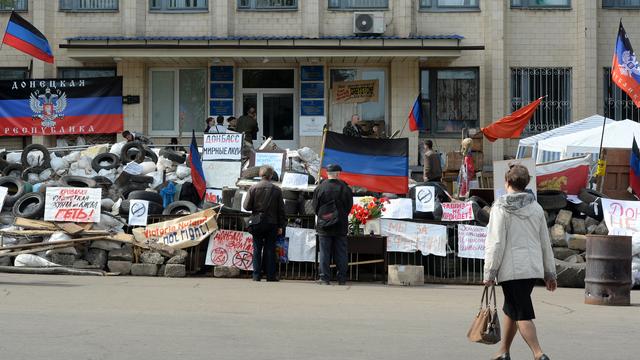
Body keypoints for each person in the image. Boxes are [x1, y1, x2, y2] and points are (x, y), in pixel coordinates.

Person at [483, 164, 556, 360]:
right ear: (526, 183)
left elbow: (496, 242)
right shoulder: (536, 208)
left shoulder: (500, 207)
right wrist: (550, 272)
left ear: (507, 182)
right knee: (512, 308)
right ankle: (503, 351)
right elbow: (545, 242)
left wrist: (489, 272)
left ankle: (538, 354)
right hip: (532, 269)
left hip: (511, 270)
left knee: (521, 312)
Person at [312, 164, 353, 285]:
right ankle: (342, 278)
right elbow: (349, 207)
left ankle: (324, 278)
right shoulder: (345, 188)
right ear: (338, 174)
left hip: (324, 224)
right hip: (341, 224)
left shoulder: (320, 188)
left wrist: (325, 216)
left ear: (327, 173)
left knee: (325, 252)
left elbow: (315, 207)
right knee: (341, 251)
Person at [243, 165, 286, 282]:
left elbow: (246, 207)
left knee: (257, 249)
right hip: (272, 223)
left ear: (260, 175)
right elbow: (281, 210)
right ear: (271, 175)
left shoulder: (253, 188)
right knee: (270, 249)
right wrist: (281, 226)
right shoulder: (277, 190)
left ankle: (256, 275)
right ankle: (270, 276)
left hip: (257, 222)